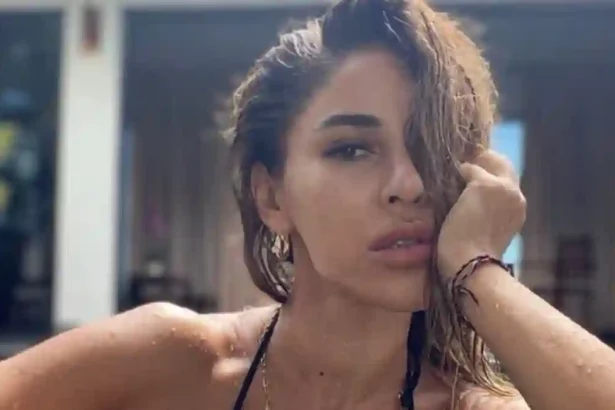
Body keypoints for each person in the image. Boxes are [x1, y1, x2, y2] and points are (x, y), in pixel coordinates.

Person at [1, 0, 615, 409]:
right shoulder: (173, 362)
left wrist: (477, 272)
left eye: (432, 150)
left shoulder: (471, 406)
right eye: (352, 149)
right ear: (271, 195)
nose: (410, 184)